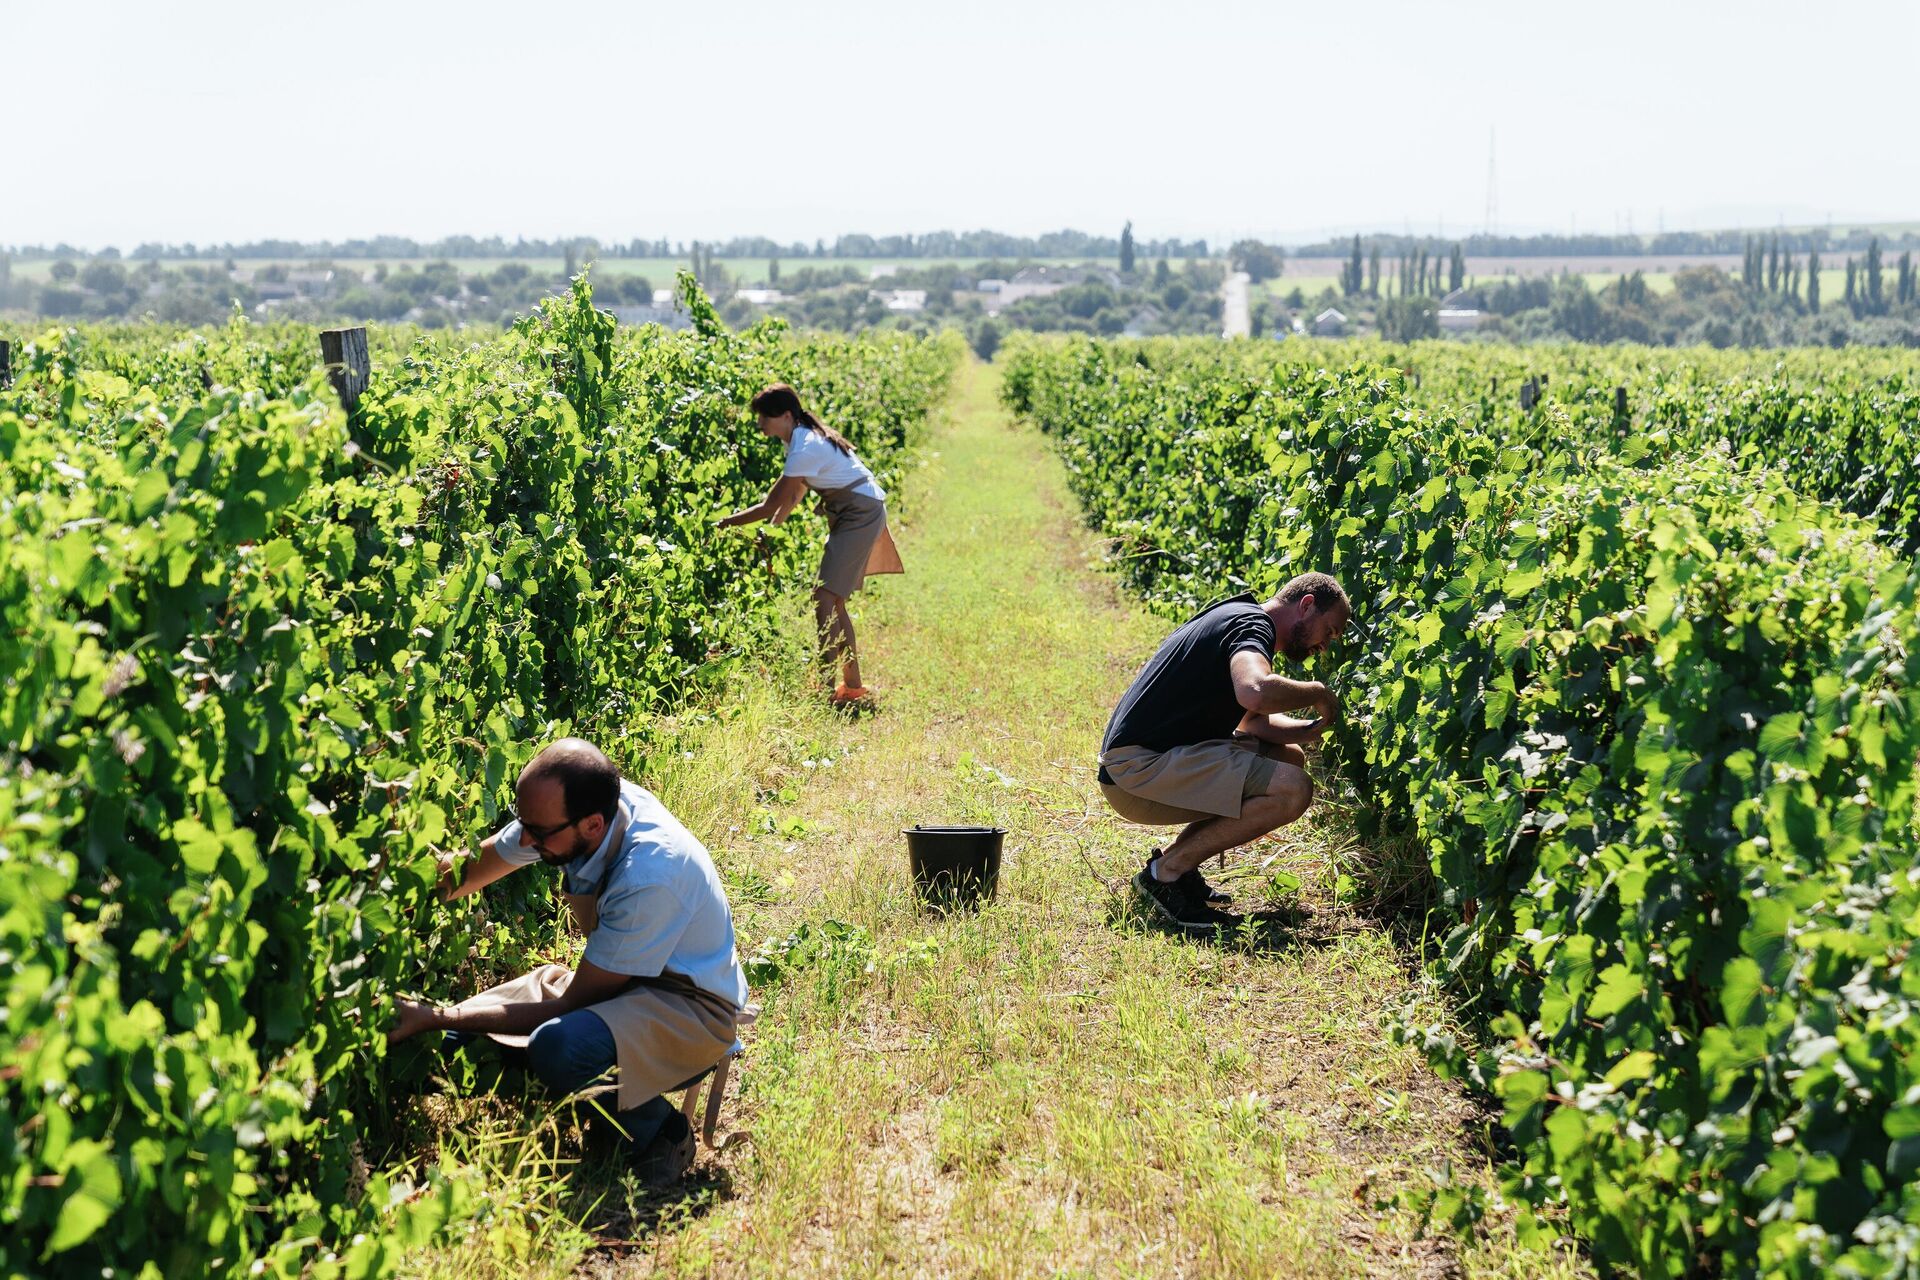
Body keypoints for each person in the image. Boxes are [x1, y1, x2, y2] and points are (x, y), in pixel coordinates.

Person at [386, 739, 748, 1186]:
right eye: (525, 825)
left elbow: (569, 1005)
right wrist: (393, 881)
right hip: (623, 981)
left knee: (556, 1048)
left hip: (690, 1009)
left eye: (537, 833)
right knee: (450, 1041)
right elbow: (468, 871)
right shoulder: (571, 813)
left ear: (592, 826)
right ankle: (583, 1106)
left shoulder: (650, 875)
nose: (527, 840)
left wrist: (437, 1015)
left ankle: (661, 1131)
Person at [1098, 573, 1352, 933]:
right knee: (1293, 788)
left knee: (1288, 759)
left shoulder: (1238, 619)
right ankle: (1164, 875)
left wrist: (1310, 731)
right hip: (1137, 770)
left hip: (1148, 759)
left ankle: (1178, 866)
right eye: (1329, 631)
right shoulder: (1252, 627)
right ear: (1307, 605)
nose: (1325, 645)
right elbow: (1255, 692)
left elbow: (1253, 721)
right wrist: (1318, 693)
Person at [716, 383, 903, 708]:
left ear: (785, 415)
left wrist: (725, 523)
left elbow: (769, 504)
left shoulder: (804, 445)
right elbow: (794, 495)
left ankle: (828, 687)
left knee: (824, 597)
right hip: (856, 510)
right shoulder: (803, 437)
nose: (760, 425)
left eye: (763, 418)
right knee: (833, 600)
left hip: (858, 512)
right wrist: (771, 532)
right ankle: (851, 688)